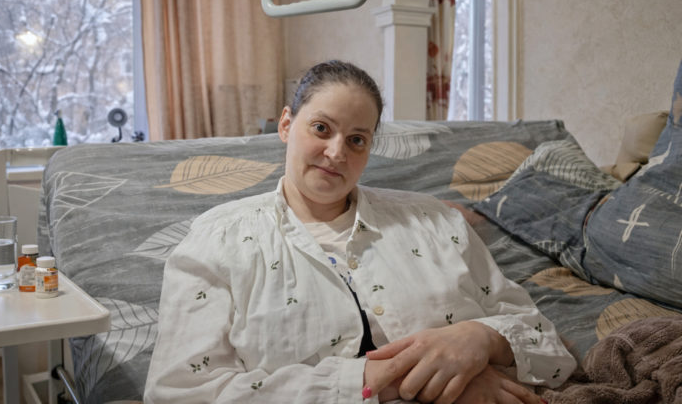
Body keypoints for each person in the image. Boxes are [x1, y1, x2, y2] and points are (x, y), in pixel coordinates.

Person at [144, 60, 576, 403]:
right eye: (321, 128)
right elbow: (177, 392)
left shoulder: (436, 222)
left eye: (356, 140)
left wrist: (480, 339)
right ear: (286, 125)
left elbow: (548, 347)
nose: (336, 153)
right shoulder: (218, 240)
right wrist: (394, 382)